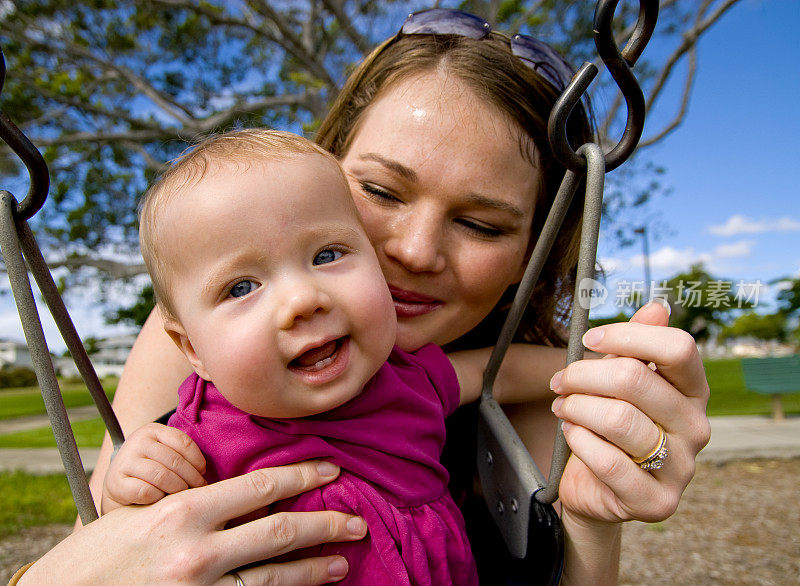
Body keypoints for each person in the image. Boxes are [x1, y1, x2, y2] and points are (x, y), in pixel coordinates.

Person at [15, 8, 711, 585]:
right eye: (379, 191)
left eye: (480, 223)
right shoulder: (213, 346)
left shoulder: (514, 397)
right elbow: (98, 544)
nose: (413, 250)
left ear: (531, 253)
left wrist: (595, 510)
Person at [101, 128, 561, 584]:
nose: (303, 299)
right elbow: (136, 546)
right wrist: (131, 482)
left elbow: (496, 372)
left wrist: (595, 364)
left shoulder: (407, 379)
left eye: (327, 255)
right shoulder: (200, 437)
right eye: (242, 287)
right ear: (192, 349)